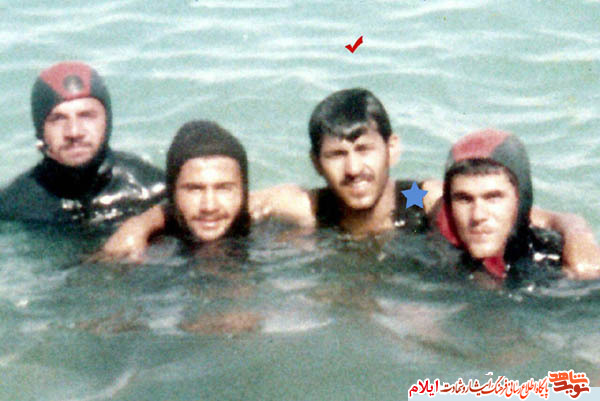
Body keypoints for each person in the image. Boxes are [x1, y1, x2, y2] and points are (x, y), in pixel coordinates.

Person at [102, 88, 600, 272]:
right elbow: (216, 201)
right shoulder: (307, 207)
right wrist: (140, 225)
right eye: (337, 155)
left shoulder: (416, 198)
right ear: (316, 162)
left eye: (365, 150)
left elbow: (534, 214)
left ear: (392, 149)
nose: (355, 169)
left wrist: (577, 234)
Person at [0, 61, 164, 225]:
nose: (74, 132)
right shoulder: (11, 207)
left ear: (106, 122)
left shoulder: (155, 190)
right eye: (58, 119)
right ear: (40, 131)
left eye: (86, 116)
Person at [435, 129, 599, 282]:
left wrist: (578, 233)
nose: (477, 215)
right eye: (464, 199)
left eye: (493, 198)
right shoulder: (433, 223)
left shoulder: (551, 265)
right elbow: (429, 190)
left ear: (519, 200)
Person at [163, 119, 250, 246]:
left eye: (223, 188)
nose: (209, 207)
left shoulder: (269, 234)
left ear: (243, 192)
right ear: (172, 192)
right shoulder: (146, 247)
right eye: (195, 189)